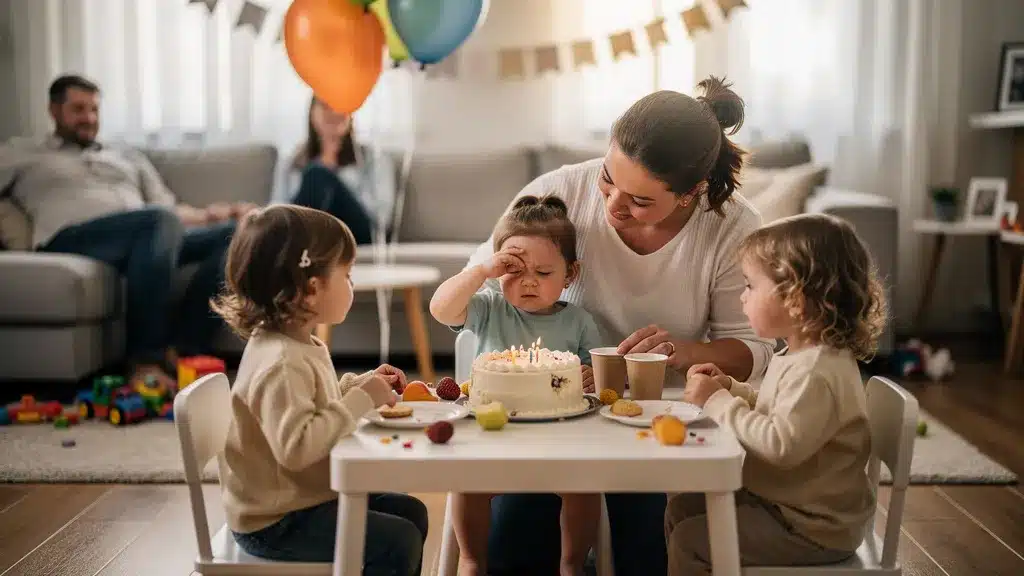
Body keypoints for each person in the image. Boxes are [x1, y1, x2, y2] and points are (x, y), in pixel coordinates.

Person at [463, 76, 777, 575]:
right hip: (550, 417)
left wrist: (687, 350)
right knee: (513, 546)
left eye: (641, 201)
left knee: (646, 547)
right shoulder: (557, 192)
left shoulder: (732, 228)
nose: (612, 206)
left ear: (691, 191)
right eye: (608, 178)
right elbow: (478, 288)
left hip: (654, 420)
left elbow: (753, 349)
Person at [0, 74, 256, 386]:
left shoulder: (126, 156)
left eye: (94, 110)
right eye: (78, 109)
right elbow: (162, 217)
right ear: (54, 110)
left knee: (237, 236)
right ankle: (144, 361)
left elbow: (170, 209)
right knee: (156, 222)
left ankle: (184, 350)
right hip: (73, 238)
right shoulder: (23, 152)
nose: (89, 118)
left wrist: (222, 213)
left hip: (147, 236)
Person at [211, 204, 428, 571]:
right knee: (397, 541)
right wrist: (362, 399)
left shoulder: (295, 342)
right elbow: (298, 447)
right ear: (311, 290)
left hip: (300, 500)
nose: (352, 284)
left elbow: (313, 406)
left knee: (411, 511)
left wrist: (359, 386)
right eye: (347, 274)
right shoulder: (280, 362)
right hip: (276, 522)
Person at [672, 213, 886, 574]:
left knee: (690, 541)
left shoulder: (816, 372)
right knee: (682, 508)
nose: (742, 298)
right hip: (789, 504)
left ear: (796, 299)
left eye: (750, 286)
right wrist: (731, 388)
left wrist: (716, 402)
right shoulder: (802, 354)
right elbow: (780, 412)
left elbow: (780, 445)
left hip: (811, 526)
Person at [430, 195, 605, 576]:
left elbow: (593, 374)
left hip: (560, 435)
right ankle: (471, 559)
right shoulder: (490, 307)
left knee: (586, 486)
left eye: (544, 273)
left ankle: (572, 563)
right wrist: (482, 272)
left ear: (570, 274)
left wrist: (590, 375)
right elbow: (441, 309)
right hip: (493, 432)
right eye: (514, 270)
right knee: (468, 481)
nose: (528, 282)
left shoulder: (578, 321)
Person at [288, 96, 395, 245]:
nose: (333, 112)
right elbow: (278, 206)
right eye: (325, 106)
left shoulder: (373, 157)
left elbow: (382, 217)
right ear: (312, 114)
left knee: (317, 175)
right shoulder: (294, 161)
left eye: (339, 105)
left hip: (358, 231)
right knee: (315, 175)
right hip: (315, 235)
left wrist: (333, 184)